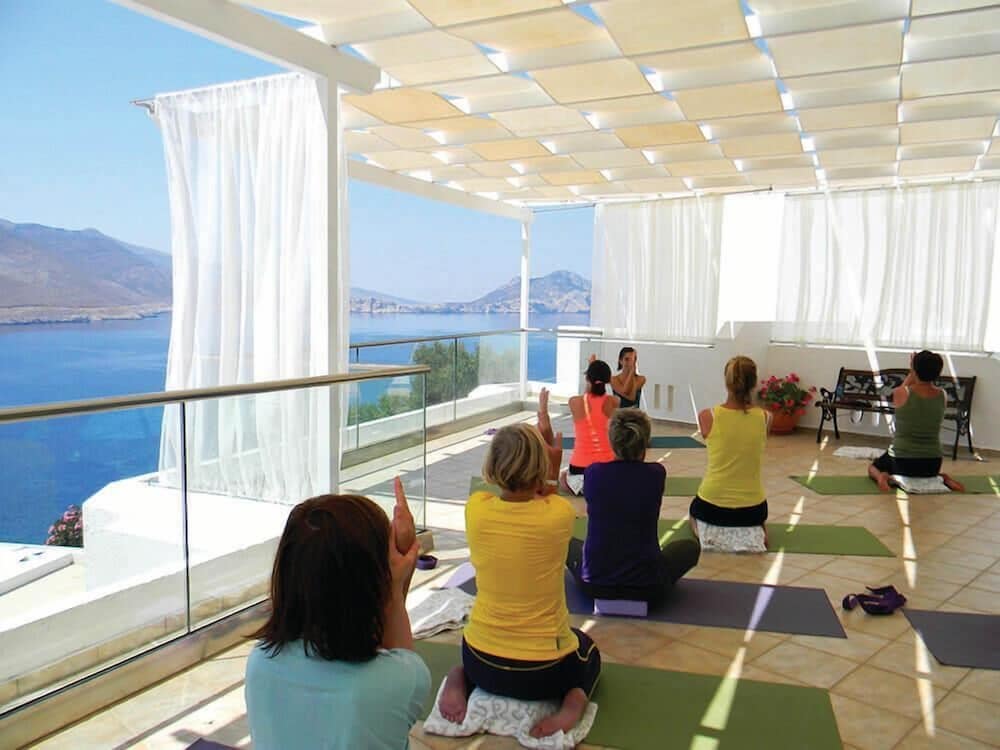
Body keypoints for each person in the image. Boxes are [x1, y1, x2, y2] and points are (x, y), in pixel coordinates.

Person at [438, 424, 601, 739]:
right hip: (543, 673)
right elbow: (548, 496)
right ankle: (574, 699)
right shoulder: (558, 514)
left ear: (492, 465)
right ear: (540, 468)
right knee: (588, 650)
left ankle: (460, 677)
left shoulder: (476, 509)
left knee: (476, 653)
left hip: (479, 661)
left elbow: (500, 495)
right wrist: (551, 473)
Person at [245, 482, 428, 750]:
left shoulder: (260, 662)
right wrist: (396, 583)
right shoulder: (397, 680)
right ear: (371, 584)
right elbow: (400, 657)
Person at [567, 408, 701, 602]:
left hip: (595, 585)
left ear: (612, 442)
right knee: (689, 547)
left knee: (569, 543)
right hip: (649, 589)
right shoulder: (656, 474)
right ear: (645, 443)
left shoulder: (594, 473)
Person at [689, 356, 770, 539]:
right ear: (754, 383)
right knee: (755, 518)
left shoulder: (707, 416)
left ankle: (704, 534)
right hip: (753, 509)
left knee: (693, 513)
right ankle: (759, 530)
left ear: (727, 382)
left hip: (711, 505)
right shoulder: (765, 417)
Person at [868, 350, 965, 492]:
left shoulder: (901, 393)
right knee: (925, 473)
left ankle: (882, 477)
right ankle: (941, 477)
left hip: (902, 461)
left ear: (915, 369)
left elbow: (901, 390)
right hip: (933, 463)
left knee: (872, 468)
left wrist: (912, 371)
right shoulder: (942, 395)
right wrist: (915, 369)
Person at [563, 358, 619, 494]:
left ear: (587, 378)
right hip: (608, 468)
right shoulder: (614, 401)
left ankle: (582, 488)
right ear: (607, 380)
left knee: (562, 477)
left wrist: (591, 371)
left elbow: (586, 398)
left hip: (579, 469)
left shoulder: (574, 402)